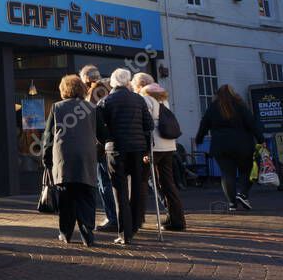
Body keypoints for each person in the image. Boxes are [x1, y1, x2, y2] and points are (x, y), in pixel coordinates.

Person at [43, 75, 108, 247]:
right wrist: (100, 153)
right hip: (86, 157)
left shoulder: (57, 107)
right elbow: (103, 135)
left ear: (63, 90)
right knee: (86, 194)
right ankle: (87, 232)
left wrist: (46, 159)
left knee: (66, 196)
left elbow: (48, 137)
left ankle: (66, 233)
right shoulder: (91, 108)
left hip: (64, 158)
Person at [97, 68, 153, 245]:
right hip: (138, 149)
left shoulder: (105, 101)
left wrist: (107, 140)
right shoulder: (139, 99)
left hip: (116, 150)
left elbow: (99, 129)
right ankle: (135, 225)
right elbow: (149, 125)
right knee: (137, 187)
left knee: (119, 190)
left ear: (113, 82)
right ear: (128, 82)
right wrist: (146, 150)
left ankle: (125, 233)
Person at [195, 84, 264, 211]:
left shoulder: (212, 108)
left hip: (221, 146)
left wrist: (199, 139)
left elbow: (204, 124)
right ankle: (243, 194)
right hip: (243, 145)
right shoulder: (240, 106)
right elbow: (252, 124)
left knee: (227, 174)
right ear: (233, 93)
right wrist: (261, 140)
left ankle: (232, 204)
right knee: (248, 171)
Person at [140, 83, 186, 230]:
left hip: (155, 147)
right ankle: (177, 220)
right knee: (168, 183)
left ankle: (137, 218)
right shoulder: (164, 102)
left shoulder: (147, 100)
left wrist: (145, 149)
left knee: (144, 181)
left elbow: (145, 125)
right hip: (169, 146)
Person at [79, 65, 117, 231]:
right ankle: (121, 216)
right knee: (117, 181)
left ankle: (112, 218)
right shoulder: (112, 88)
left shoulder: (95, 93)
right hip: (118, 141)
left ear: (87, 79)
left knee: (105, 182)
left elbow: (93, 122)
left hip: (102, 145)